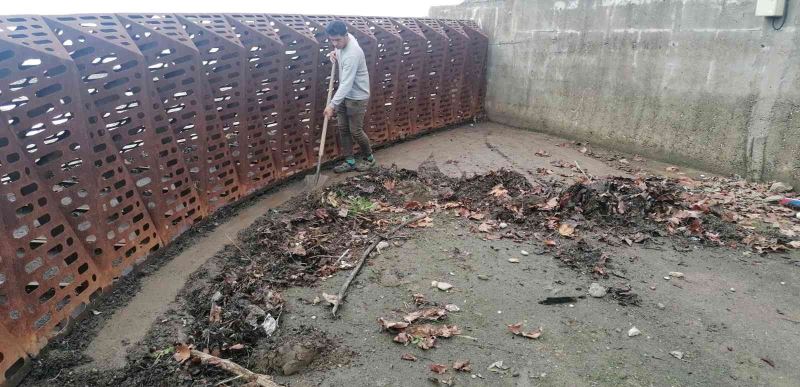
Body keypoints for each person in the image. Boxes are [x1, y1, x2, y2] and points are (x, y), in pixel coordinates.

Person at [323, 20, 375, 173]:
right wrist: (334, 54)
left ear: (346, 36)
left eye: (337, 40)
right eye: (332, 40)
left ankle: (369, 158)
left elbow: (346, 83)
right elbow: (339, 52)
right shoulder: (345, 40)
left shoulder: (353, 53)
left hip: (357, 96)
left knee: (355, 130)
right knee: (343, 128)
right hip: (344, 95)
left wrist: (332, 105)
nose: (335, 43)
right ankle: (350, 161)